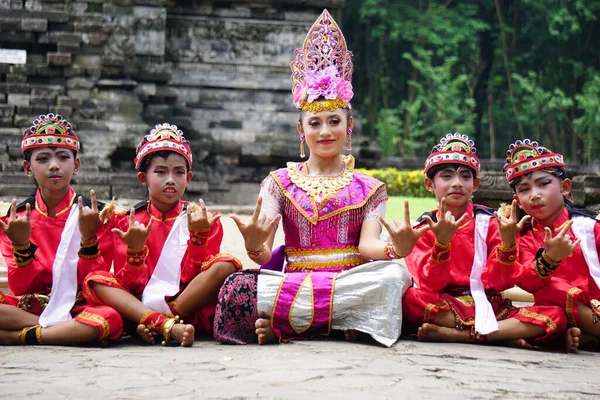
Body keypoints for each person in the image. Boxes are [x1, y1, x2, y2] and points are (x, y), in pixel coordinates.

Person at [213, 9, 413, 346]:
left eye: (334, 121)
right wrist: (252, 244)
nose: (325, 131)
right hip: (295, 283)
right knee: (238, 288)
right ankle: (338, 325)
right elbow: (263, 256)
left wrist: (396, 249)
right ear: (300, 129)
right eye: (315, 123)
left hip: (350, 282)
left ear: (348, 127)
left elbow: (367, 247)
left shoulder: (370, 188)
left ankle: (292, 322)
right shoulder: (279, 182)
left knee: (395, 277)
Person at [402, 133, 568, 348]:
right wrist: (441, 244)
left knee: (555, 315)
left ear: (476, 184)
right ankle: (503, 335)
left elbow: (501, 282)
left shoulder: (491, 223)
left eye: (465, 177)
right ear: (429, 184)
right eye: (447, 176)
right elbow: (430, 284)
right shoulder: (422, 228)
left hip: (491, 305)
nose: (457, 183)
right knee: (411, 299)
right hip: (446, 305)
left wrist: (508, 245)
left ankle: (461, 335)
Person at [82, 123, 241, 346]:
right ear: (143, 178)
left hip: (185, 303)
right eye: (160, 172)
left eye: (179, 172)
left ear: (189, 178)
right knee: (96, 280)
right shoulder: (124, 220)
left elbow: (193, 281)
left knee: (227, 264)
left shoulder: (203, 220)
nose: (170, 180)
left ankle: (160, 322)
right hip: (138, 305)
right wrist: (135, 252)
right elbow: (130, 285)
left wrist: (198, 238)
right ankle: (163, 324)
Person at [0, 113, 123, 345]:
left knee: (111, 318)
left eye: (63, 157)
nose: (54, 166)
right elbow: (22, 287)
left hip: (79, 306)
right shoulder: (14, 220)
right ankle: (63, 331)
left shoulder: (97, 215)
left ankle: (19, 337)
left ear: (75, 165)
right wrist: (21, 245)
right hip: (32, 306)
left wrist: (88, 237)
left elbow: (95, 280)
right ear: (28, 167)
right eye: (43, 159)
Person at [505, 139, 594, 352]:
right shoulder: (524, 237)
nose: (535, 194)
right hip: (556, 314)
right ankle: (584, 338)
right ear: (517, 199)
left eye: (544, 184)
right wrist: (549, 259)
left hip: (594, 308)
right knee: (550, 292)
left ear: (565, 187)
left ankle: (587, 337)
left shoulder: (589, 227)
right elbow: (527, 281)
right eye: (525, 189)